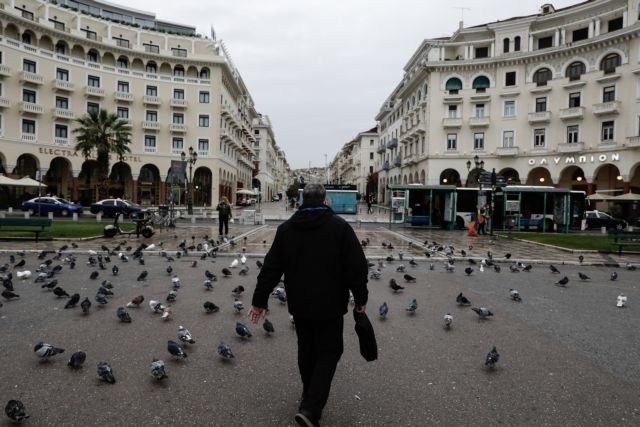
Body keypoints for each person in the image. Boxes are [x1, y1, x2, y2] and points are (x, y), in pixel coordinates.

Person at [249, 183, 369, 427]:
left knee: (307, 349)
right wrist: (361, 298)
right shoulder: (340, 228)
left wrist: (259, 300)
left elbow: (271, 267)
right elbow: (356, 266)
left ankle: (308, 395)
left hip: (300, 303)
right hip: (331, 304)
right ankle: (312, 408)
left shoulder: (286, 229)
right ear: (325, 200)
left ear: (303, 200)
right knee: (330, 351)